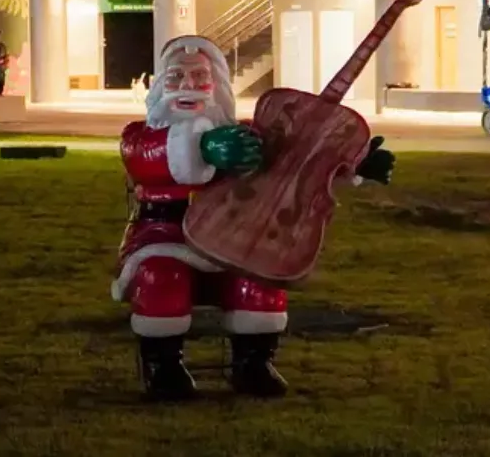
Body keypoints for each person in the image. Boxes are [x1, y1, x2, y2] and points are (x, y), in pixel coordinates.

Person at [114, 34, 396, 401]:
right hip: (163, 235)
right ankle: (163, 366)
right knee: (161, 276)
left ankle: (254, 363)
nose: (187, 86)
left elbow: (298, 159)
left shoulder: (249, 134)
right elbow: (145, 158)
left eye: (199, 77)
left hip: (234, 235)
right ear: (157, 86)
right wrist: (202, 148)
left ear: (217, 85)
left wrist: (352, 162)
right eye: (175, 77)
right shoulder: (139, 136)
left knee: (261, 276)